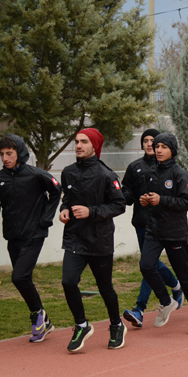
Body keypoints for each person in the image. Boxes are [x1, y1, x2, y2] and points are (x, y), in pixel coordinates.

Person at [0, 134, 62, 342]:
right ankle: (45, 320)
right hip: (13, 236)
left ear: (20, 153)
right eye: (2, 154)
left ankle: (37, 315)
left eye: (9, 153)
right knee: (23, 279)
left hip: (35, 234)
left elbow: (56, 190)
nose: (5, 158)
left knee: (18, 277)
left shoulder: (36, 175)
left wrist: (46, 219)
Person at [59, 128, 127, 351]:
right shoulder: (68, 172)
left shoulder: (106, 175)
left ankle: (116, 325)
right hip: (74, 239)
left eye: (84, 142)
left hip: (99, 240)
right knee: (68, 282)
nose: (78, 145)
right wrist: (64, 210)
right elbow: (66, 199)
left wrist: (92, 212)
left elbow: (119, 205)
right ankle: (81, 325)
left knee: (105, 287)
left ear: (94, 146)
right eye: (77, 141)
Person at [138, 133, 188, 335]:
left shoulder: (180, 174)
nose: (158, 149)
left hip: (175, 232)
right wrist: (146, 200)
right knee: (146, 265)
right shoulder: (150, 173)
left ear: (172, 150)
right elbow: (154, 199)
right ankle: (166, 301)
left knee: (184, 275)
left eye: (163, 147)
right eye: (156, 145)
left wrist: (162, 200)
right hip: (154, 230)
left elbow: (187, 202)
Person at [121, 128, 182, 327]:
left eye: (154, 142)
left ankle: (140, 308)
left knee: (149, 265)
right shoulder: (135, 167)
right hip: (142, 222)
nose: (150, 145)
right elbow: (126, 191)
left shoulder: (170, 168)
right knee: (150, 264)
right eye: (146, 141)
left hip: (166, 223)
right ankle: (175, 285)